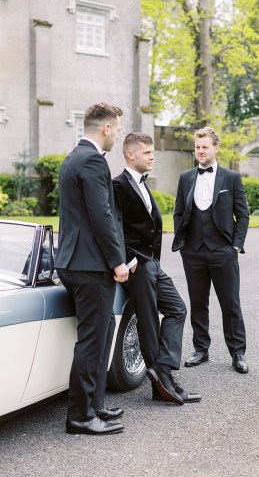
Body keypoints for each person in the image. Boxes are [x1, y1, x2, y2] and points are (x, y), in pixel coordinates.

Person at [56, 102, 129, 436]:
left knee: (104, 333)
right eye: (116, 129)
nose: (116, 136)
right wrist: (118, 261)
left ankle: (95, 404)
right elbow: (102, 217)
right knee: (92, 339)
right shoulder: (93, 162)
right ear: (106, 129)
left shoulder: (73, 158)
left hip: (72, 262)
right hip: (91, 266)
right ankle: (80, 416)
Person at [113, 132, 201, 404]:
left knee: (177, 308)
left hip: (152, 264)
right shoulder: (117, 185)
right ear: (130, 154)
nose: (152, 157)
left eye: (152, 152)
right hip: (137, 266)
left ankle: (162, 371)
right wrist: (128, 259)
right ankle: (163, 383)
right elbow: (111, 228)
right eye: (147, 152)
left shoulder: (141, 184)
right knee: (149, 322)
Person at [172, 126, 250, 374]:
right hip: (193, 251)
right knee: (198, 303)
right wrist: (183, 243)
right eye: (197, 147)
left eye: (205, 147)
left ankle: (237, 352)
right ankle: (201, 349)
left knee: (230, 303)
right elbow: (179, 212)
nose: (201, 151)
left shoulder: (232, 178)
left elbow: (243, 215)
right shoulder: (185, 178)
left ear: (216, 148)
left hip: (222, 251)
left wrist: (235, 245)